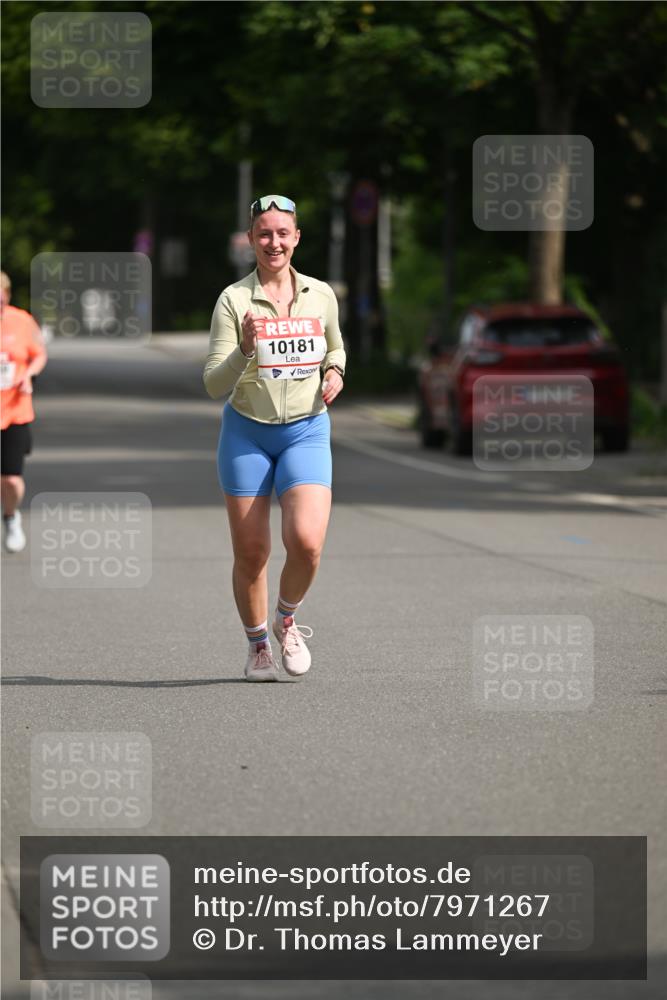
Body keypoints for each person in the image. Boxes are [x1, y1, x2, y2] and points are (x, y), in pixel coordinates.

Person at [203, 195, 346, 681]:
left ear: (297, 237)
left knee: (306, 542)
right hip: (247, 433)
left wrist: (335, 370)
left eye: (282, 233)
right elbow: (213, 384)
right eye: (264, 233)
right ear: (250, 240)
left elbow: (335, 345)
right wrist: (245, 346)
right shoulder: (234, 299)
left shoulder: (321, 294)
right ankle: (257, 644)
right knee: (252, 552)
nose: (273, 242)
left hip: (306, 429)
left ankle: (286, 618)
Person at [0, 271, 48, 553]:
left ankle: (11, 516)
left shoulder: (22, 321)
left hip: (15, 410)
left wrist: (28, 374)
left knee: (11, 480)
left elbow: (39, 353)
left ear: (7, 295)